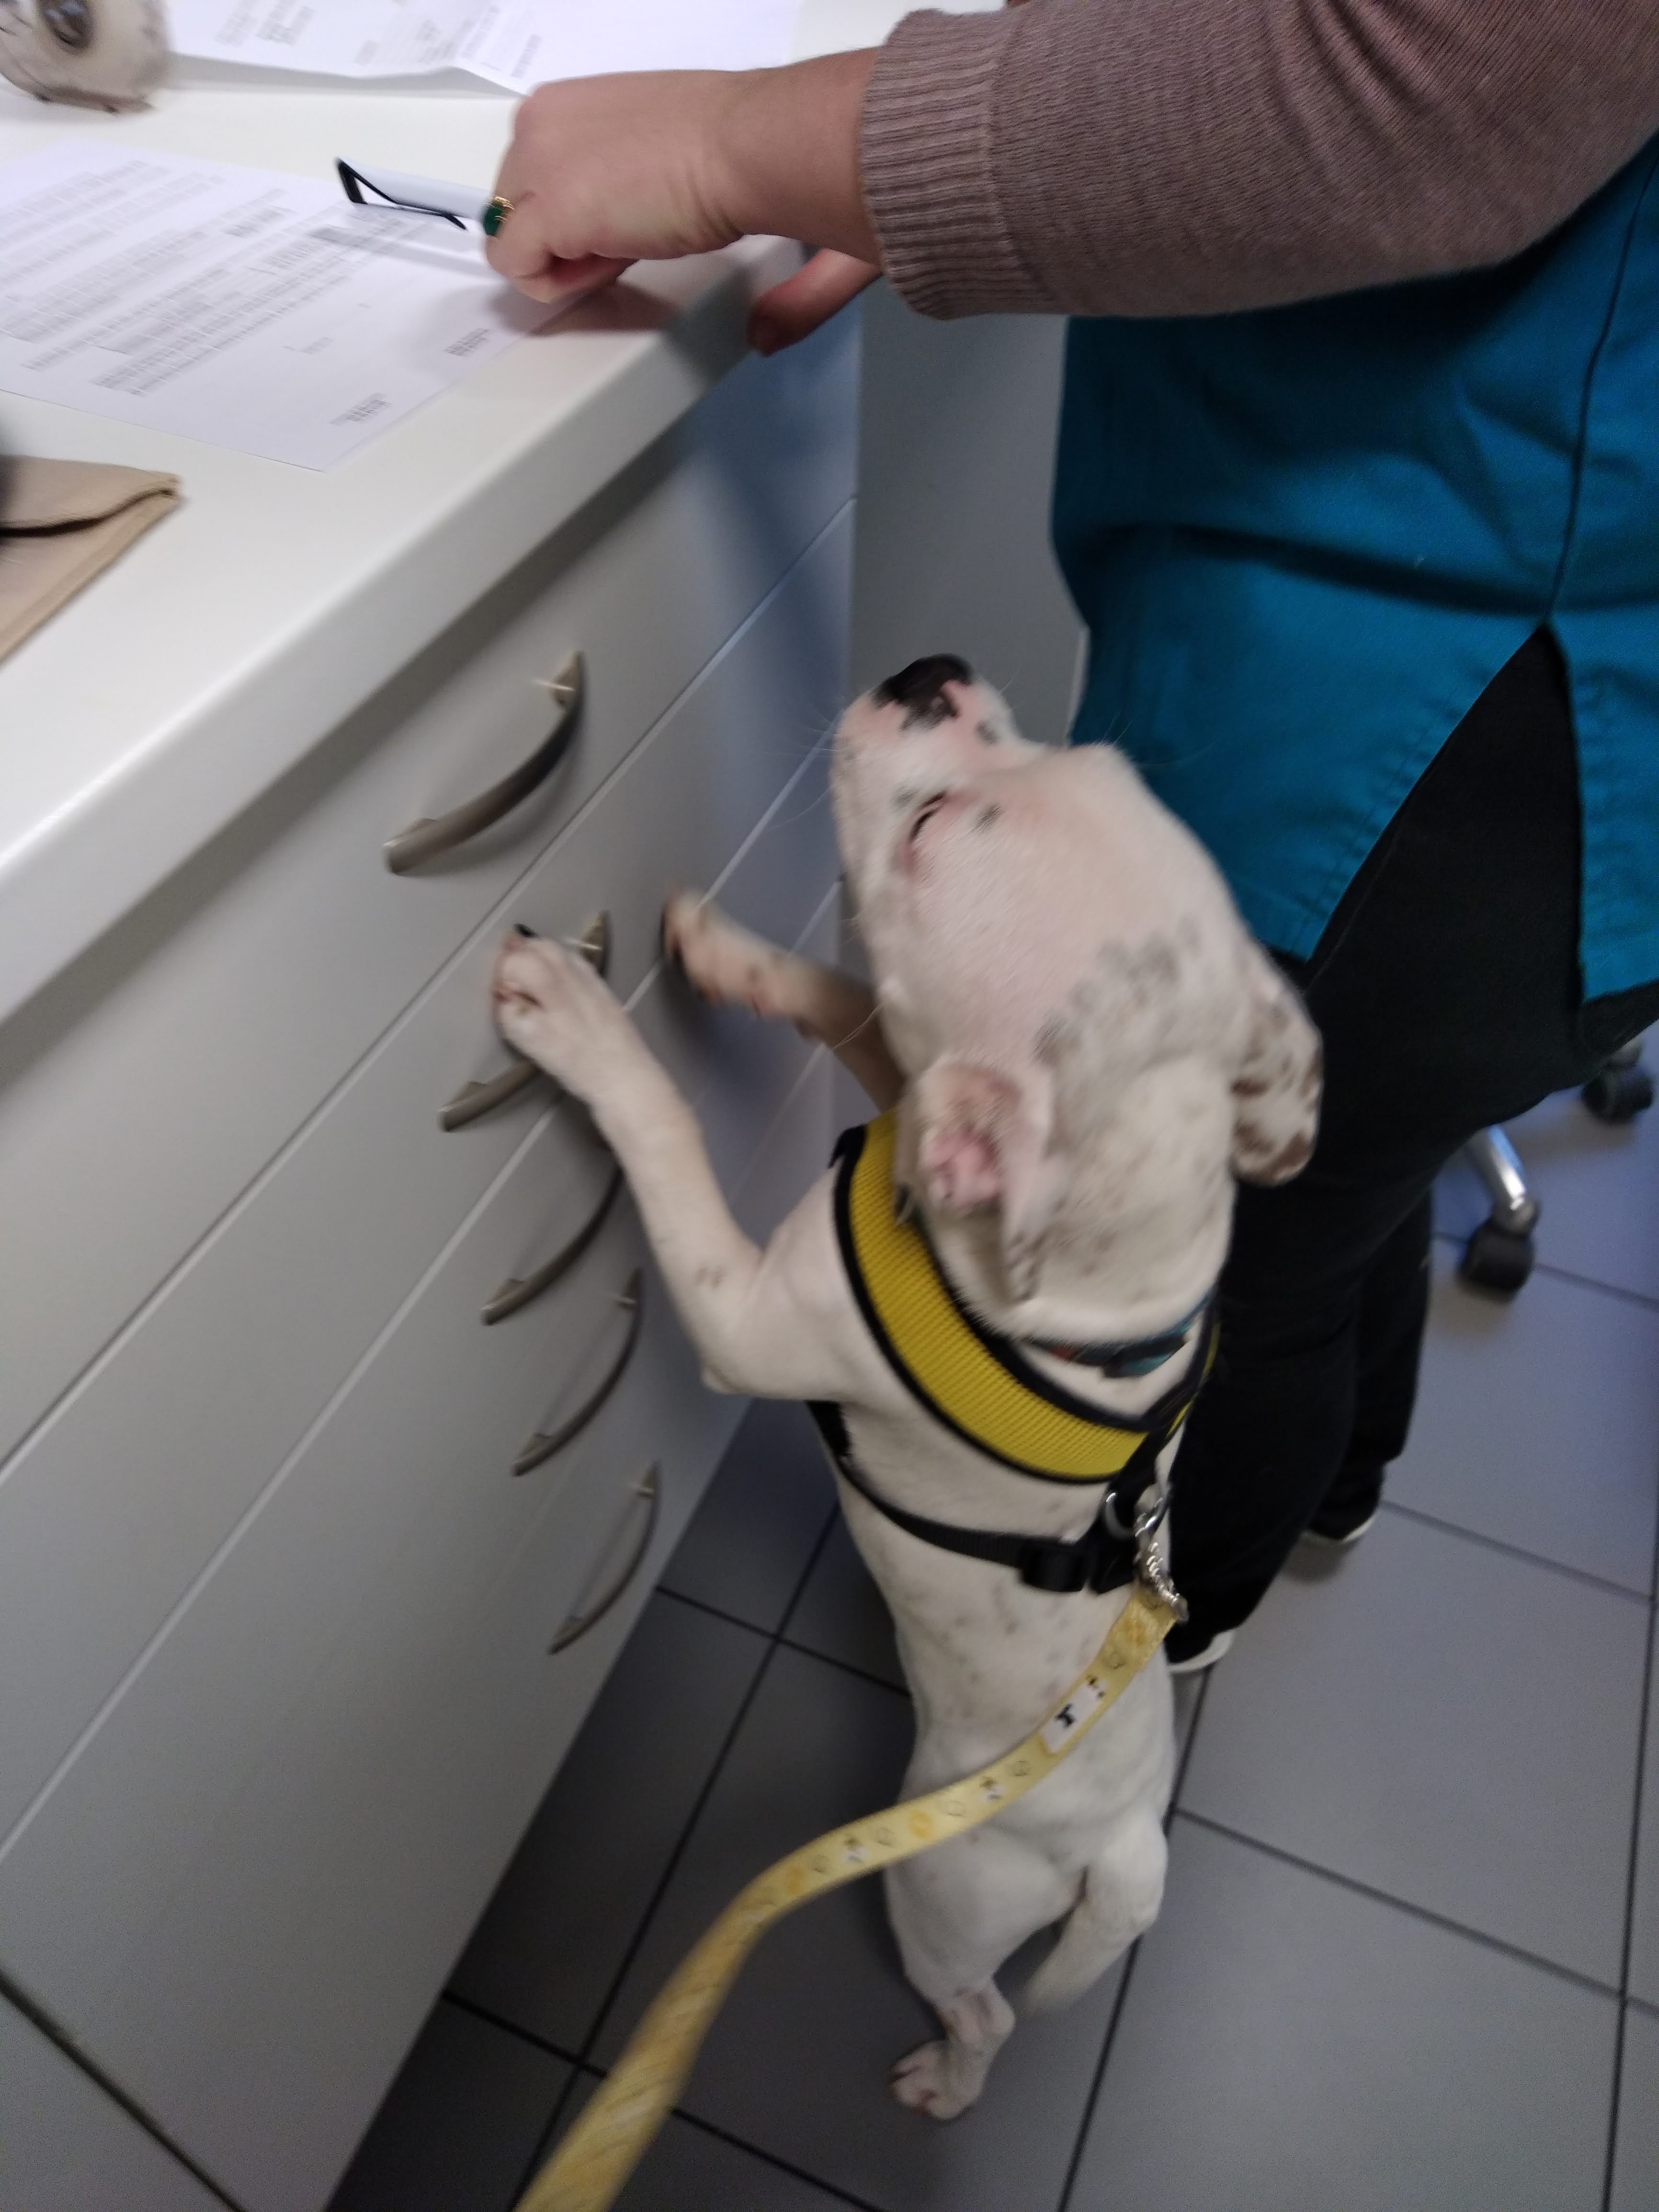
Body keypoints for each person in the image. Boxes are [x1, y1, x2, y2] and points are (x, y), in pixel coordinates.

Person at [482, 0, 1659, 1667]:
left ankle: (1176, 1623)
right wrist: (931, 153)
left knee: (1268, 1268)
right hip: (1436, 570)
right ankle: (1341, 1486)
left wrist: (741, 142)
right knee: (1354, 1169)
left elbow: (1405, 83)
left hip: (1459, 668)